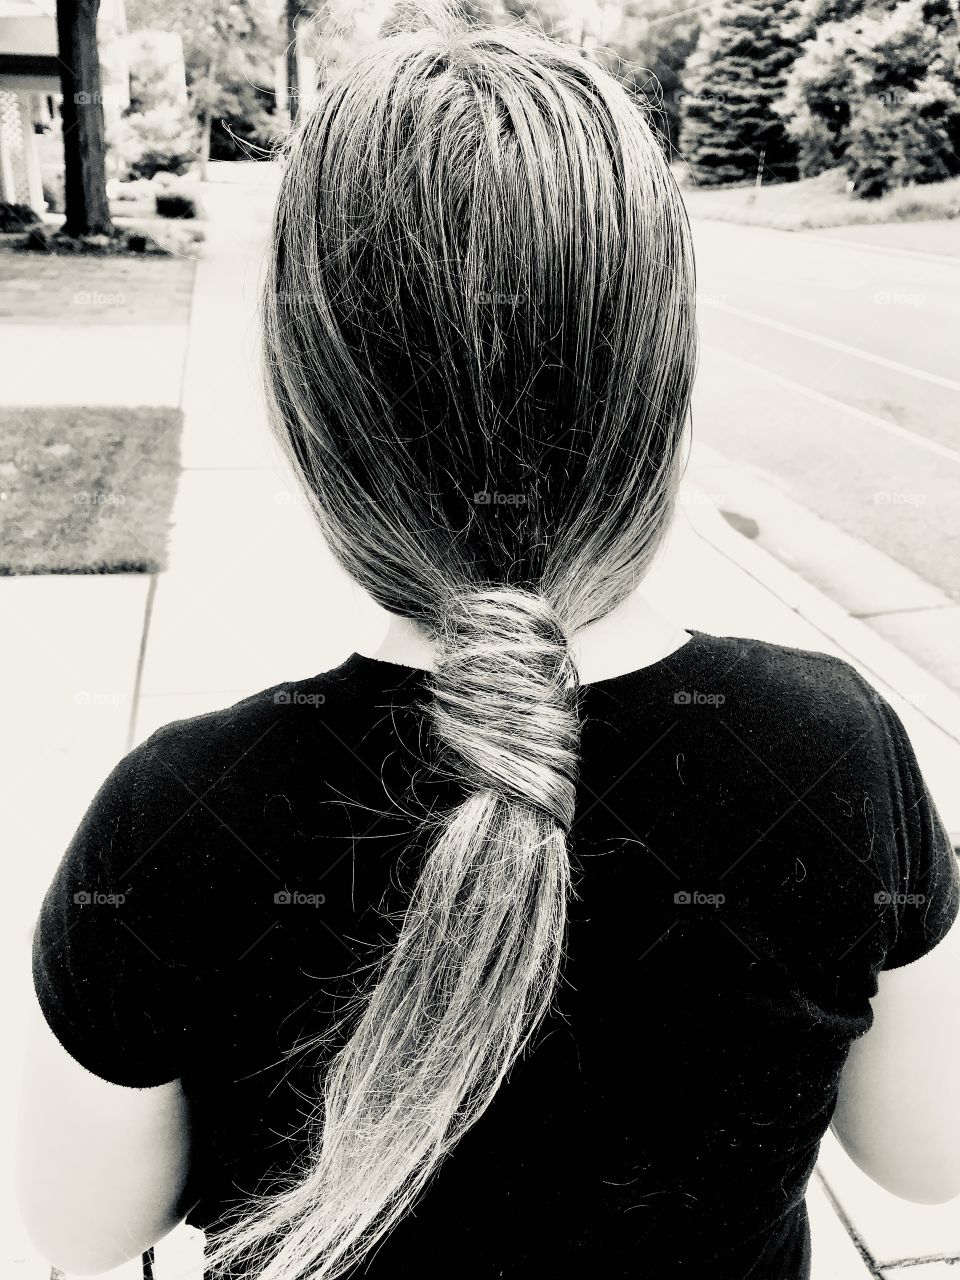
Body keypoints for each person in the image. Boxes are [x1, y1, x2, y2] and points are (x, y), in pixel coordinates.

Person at [17, 7, 960, 1280]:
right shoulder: (830, 746)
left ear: (314, 410)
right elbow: (928, 1156)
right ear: (662, 381)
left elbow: (81, 1229)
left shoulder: (176, 819)